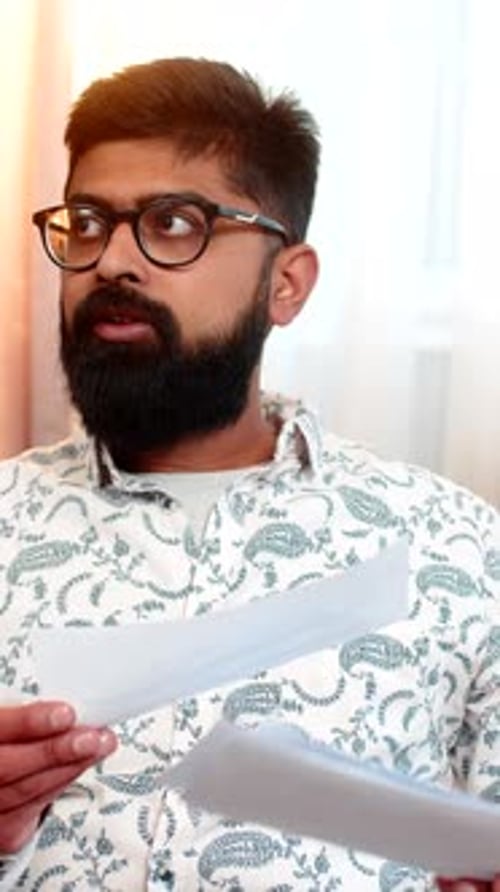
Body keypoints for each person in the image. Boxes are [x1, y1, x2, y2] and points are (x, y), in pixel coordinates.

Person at [0, 57, 498, 892]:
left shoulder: (458, 545)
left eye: (174, 222)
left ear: (288, 283)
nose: (112, 261)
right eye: (87, 223)